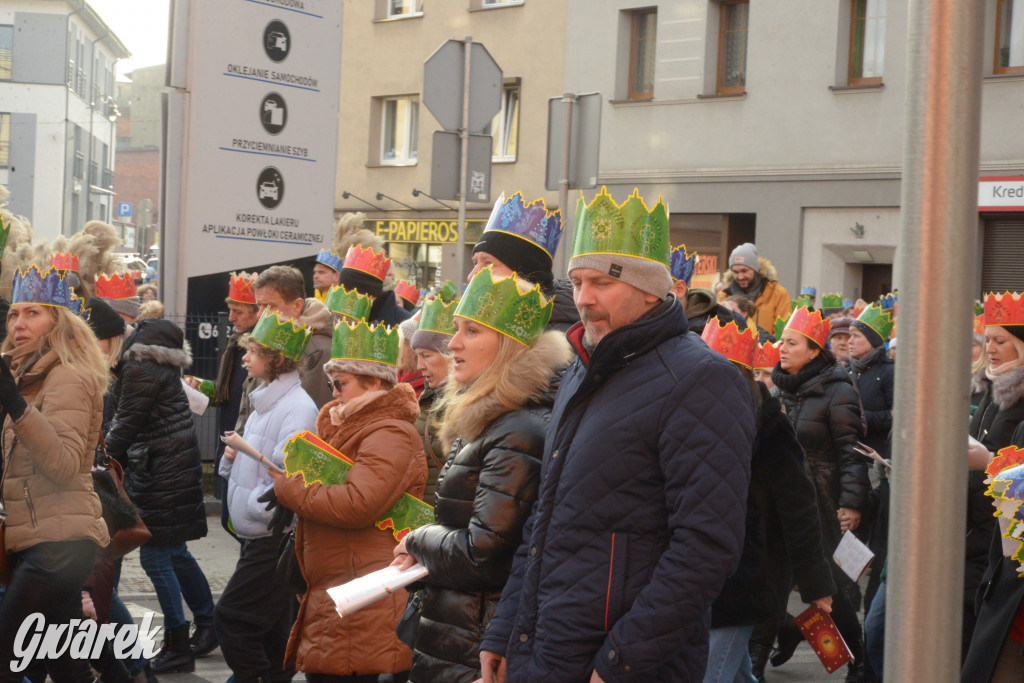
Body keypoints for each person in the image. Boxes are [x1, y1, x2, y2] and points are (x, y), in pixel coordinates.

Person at [479, 188, 756, 681]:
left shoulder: (700, 379)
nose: (584, 299)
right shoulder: (582, 369)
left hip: (622, 663)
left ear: (652, 290)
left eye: (603, 283)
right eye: (578, 281)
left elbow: (705, 546)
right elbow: (545, 522)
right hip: (547, 650)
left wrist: (620, 660)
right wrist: (504, 632)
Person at [391, 268, 572, 682]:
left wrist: (417, 540)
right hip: (463, 632)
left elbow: (482, 552)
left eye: (471, 331)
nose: (452, 343)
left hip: (478, 644)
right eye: (455, 329)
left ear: (509, 346)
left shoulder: (517, 428)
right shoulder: (490, 418)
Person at [271, 318, 427, 681]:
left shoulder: (390, 430)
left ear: (373, 382)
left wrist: (288, 487)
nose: (333, 393)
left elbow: (357, 504)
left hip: (363, 593)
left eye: (340, 384)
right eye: (331, 383)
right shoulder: (354, 425)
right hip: (343, 585)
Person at [699, 319, 835, 683]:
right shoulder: (689, 414)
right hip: (699, 572)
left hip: (746, 575)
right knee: (737, 672)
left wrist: (816, 583)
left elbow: (798, 505)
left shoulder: (768, 421)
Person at [0, 264, 111, 682]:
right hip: (39, 539)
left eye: (32, 313)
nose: (19, 323)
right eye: (14, 314)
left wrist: (15, 404)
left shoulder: (66, 376)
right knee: (64, 665)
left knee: (9, 660)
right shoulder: (26, 377)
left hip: (58, 544)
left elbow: (64, 465)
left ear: (58, 321)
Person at [105, 317, 217, 674]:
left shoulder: (139, 367)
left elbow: (127, 421)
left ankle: (177, 644)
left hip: (159, 469)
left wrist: (101, 460)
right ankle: (208, 621)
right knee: (174, 552)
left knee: (157, 558)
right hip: (166, 464)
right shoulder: (149, 362)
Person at [215, 310, 319, 682]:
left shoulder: (298, 408)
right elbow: (258, 466)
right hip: (257, 534)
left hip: (271, 536)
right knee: (275, 633)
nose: (245, 357)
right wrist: (231, 460)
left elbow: (288, 479)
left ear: (276, 359)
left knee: (231, 618)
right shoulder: (267, 400)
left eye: (254, 351)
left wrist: (255, 510)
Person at [769, 306, 869, 680]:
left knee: (831, 589)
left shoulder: (837, 388)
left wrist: (851, 503)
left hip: (823, 504)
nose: (782, 348)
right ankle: (790, 630)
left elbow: (851, 450)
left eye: (792, 343)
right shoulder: (780, 388)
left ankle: (859, 662)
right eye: (782, 341)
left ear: (813, 350)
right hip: (783, 502)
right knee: (774, 581)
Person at [962, 292, 1024, 681]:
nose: (991, 348)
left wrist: (989, 463)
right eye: (988, 339)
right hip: (997, 553)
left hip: (1002, 551)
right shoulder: (991, 390)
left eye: (1000, 340)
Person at [186, 272, 262, 536]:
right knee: (231, 525)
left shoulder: (261, 349)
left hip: (245, 447)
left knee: (238, 527)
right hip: (232, 443)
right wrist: (203, 385)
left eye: (237, 311)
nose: (231, 318)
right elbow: (231, 394)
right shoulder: (238, 344)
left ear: (258, 312)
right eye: (230, 310)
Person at [467, 192, 580, 333]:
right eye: (475, 263)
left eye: (488, 264)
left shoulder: (564, 337)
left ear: (526, 274)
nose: (471, 277)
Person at [254, 265, 333, 408]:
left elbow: (313, 420)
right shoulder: (268, 339)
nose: (260, 315)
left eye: (269, 306)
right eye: (258, 306)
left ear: (297, 306)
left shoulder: (320, 351)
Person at [409, 296, 458, 501]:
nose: (419, 366)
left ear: (451, 355)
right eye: (417, 356)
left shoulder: (466, 403)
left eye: (426, 355)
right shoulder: (426, 397)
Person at [718, 243, 791, 332]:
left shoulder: (778, 294)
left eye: (744, 271)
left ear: (755, 269)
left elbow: (784, 331)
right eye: (736, 272)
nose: (740, 277)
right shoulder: (724, 296)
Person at [338, 245, 412, 327]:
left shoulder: (403, 322)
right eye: (343, 290)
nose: (346, 295)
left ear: (371, 295)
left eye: (352, 291)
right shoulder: (336, 311)